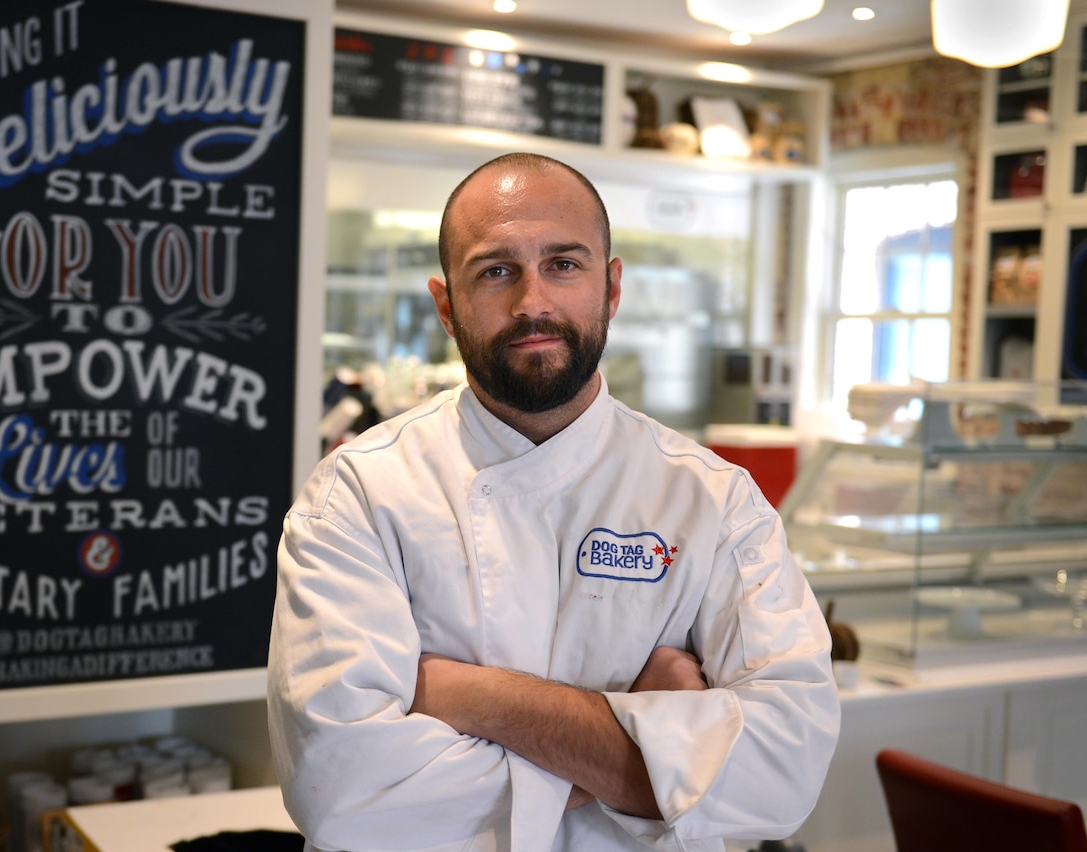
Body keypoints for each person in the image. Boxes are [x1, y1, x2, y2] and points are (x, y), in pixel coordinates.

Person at [267, 152, 840, 851]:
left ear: (613, 287)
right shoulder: (358, 493)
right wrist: (643, 730)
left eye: (564, 264)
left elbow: (784, 773)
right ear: (447, 306)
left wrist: (463, 695)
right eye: (496, 270)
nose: (532, 301)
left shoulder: (714, 502)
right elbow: (343, 791)